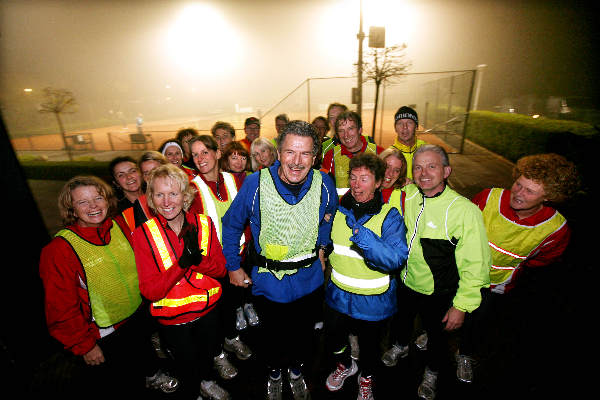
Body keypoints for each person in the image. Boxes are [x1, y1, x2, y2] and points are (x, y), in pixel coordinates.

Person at [221, 120, 338, 400]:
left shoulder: (324, 183)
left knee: (303, 334)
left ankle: (296, 370)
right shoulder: (255, 184)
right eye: (290, 152)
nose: (297, 162)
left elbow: (328, 216)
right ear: (278, 151)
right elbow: (231, 224)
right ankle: (274, 372)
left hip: (309, 279)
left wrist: (322, 250)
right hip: (268, 281)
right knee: (272, 335)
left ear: (315, 156)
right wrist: (233, 266)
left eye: (305, 154)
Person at [39, 176, 178, 397]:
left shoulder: (118, 225)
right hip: (105, 332)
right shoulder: (59, 250)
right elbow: (60, 307)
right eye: (83, 202)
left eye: (98, 198)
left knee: (145, 354)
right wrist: (84, 346)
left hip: (138, 314)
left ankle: (153, 375)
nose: (93, 206)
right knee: (122, 379)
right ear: (71, 209)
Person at [454, 153, 579, 384]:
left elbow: (544, 258)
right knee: (447, 309)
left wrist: (512, 269)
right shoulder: (488, 197)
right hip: (461, 273)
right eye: (518, 184)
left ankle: (464, 354)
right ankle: (434, 334)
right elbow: (461, 227)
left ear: (549, 196)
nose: (519, 193)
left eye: (529, 191)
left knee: (477, 321)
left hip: (496, 284)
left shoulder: (556, 228)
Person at [381, 145, 491, 400]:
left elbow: (477, 265)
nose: (424, 173)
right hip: (406, 282)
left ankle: (432, 372)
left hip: (439, 292)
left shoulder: (464, 211)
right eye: (418, 167)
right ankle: (399, 346)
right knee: (401, 322)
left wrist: (461, 306)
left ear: (446, 171)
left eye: (432, 166)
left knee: (437, 340)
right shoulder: (407, 194)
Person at [133, 164, 230, 400]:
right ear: (151, 200)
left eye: (173, 193)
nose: (167, 201)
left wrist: (198, 260)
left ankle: (207, 382)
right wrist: (181, 265)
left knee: (208, 354)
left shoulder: (204, 223)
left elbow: (221, 270)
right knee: (186, 362)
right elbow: (149, 290)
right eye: (159, 194)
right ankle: (194, 389)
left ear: (185, 196)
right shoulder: (143, 235)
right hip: (173, 322)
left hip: (208, 312)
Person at [324, 153, 408, 400]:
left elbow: (395, 258)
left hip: (374, 301)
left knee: (370, 349)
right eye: (353, 177)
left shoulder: (389, 216)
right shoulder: (338, 209)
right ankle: (345, 365)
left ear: (379, 182)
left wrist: (362, 234)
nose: (356, 184)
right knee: (335, 340)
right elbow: (326, 239)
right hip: (338, 295)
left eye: (364, 179)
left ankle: (366, 378)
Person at [188, 135, 255, 374]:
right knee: (213, 313)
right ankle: (217, 352)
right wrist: (225, 265)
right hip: (215, 264)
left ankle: (231, 337)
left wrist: (246, 243)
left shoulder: (232, 180)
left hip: (238, 255)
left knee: (232, 303)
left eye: (204, 152)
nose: (200, 159)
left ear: (217, 153)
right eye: (195, 154)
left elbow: (245, 214)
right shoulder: (193, 189)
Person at [321, 111, 384, 196]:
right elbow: (325, 189)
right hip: (340, 209)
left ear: (360, 130)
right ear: (337, 135)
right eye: (341, 131)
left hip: (373, 208)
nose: (346, 135)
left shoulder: (378, 152)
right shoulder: (330, 156)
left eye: (350, 129)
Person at [389, 106, 427, 180]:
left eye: (409, 123)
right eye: (400, 123)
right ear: (395, 128)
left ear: (416, 126)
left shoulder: (428, 149)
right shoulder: (388, 155)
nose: (405, 127)